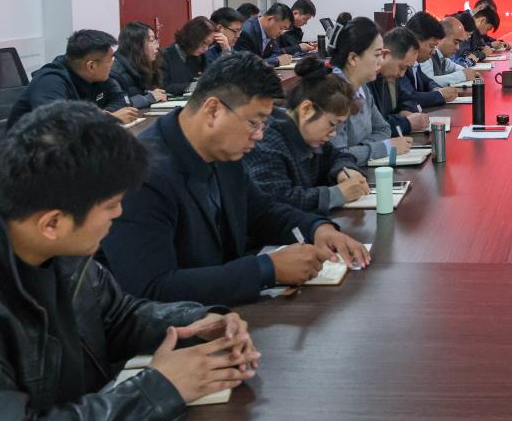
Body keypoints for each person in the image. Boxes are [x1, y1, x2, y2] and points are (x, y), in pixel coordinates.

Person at [0, 102, 259, 421]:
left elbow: (117, 316)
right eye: (111, 205)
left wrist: (198, 323)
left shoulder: (46, 229)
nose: (120, 214)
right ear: (53, 223)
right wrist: (158, 389)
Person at [99, 52, 369, 306]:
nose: (260, 135)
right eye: (254, 123)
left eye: (263, 124)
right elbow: (151, 288)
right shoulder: (142, 174)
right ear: (213, 110)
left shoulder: (223, 151)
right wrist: (267, 269)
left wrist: (317, 229)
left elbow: (261, 212)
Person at [243, 58, 368, 215]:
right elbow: (277, 200)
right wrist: (337, 194)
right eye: (332, 124)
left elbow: (338, 156)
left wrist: (345, 171)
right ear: (306, 109)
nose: (333, 133)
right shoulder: (267, 141)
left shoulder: (310, 135)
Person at [7, 29, 137, 129]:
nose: (113, 63)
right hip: (27, 149)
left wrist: (106, 114)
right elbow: (54, 123)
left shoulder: (99, 77)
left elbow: (122, 99)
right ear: (91, 66)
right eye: (110, 60)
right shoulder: (51, 81)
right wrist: (108, 119)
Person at [330, 17, 413, 164]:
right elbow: (338, 156)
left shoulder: (363, 87)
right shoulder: (333, 93)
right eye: (377, 55)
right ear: (353, 58)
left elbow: (384, 129)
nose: (381, 61)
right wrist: (384, 147)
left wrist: (361, 149)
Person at [372, 26, 432, 136]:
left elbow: (409, 99)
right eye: (402, 67)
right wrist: (406, 123)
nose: (402, 74)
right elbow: (375, 126)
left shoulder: (392, 75)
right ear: (385, 55)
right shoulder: (368, 80)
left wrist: (404, 111)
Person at [403, 12, 461, 109]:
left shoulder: (416, 63)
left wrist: (436, 89)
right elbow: (408, 97)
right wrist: (440, 95)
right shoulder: (401, 63)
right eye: (431, 46)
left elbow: (428, 81)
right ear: (415, 41)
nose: (433, 52)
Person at [110, 21, 167, 109]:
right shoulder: (116, 73)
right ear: (136, 45)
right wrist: (149, 98)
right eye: (151, 40)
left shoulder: (140, 64)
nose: (157, 46)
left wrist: (150, 93)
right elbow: (117, 106)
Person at [161, 16, 217, 96]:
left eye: (209, 45)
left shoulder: (202, 56)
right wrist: (192, 86)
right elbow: (164, 87)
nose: (206, 49)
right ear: (192, 37)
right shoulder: (165, 56)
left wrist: (226, 50)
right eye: (204, 43)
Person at [420, 15, 478, 87]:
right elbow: (428, 81)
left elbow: (454, 67)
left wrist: (468, 72)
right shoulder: (426, 55)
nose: (458, 47)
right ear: (442, 37)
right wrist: (463, 75)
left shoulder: (442, 57)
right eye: (455, 42)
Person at [234, 2, 293, 66]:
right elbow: (247, 65)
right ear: (270, 19)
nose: (281, 33)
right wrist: (276, 61)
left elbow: (277, 53)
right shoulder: (246, 32)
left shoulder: (270, 32)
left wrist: (273, 60)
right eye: (281, 28)